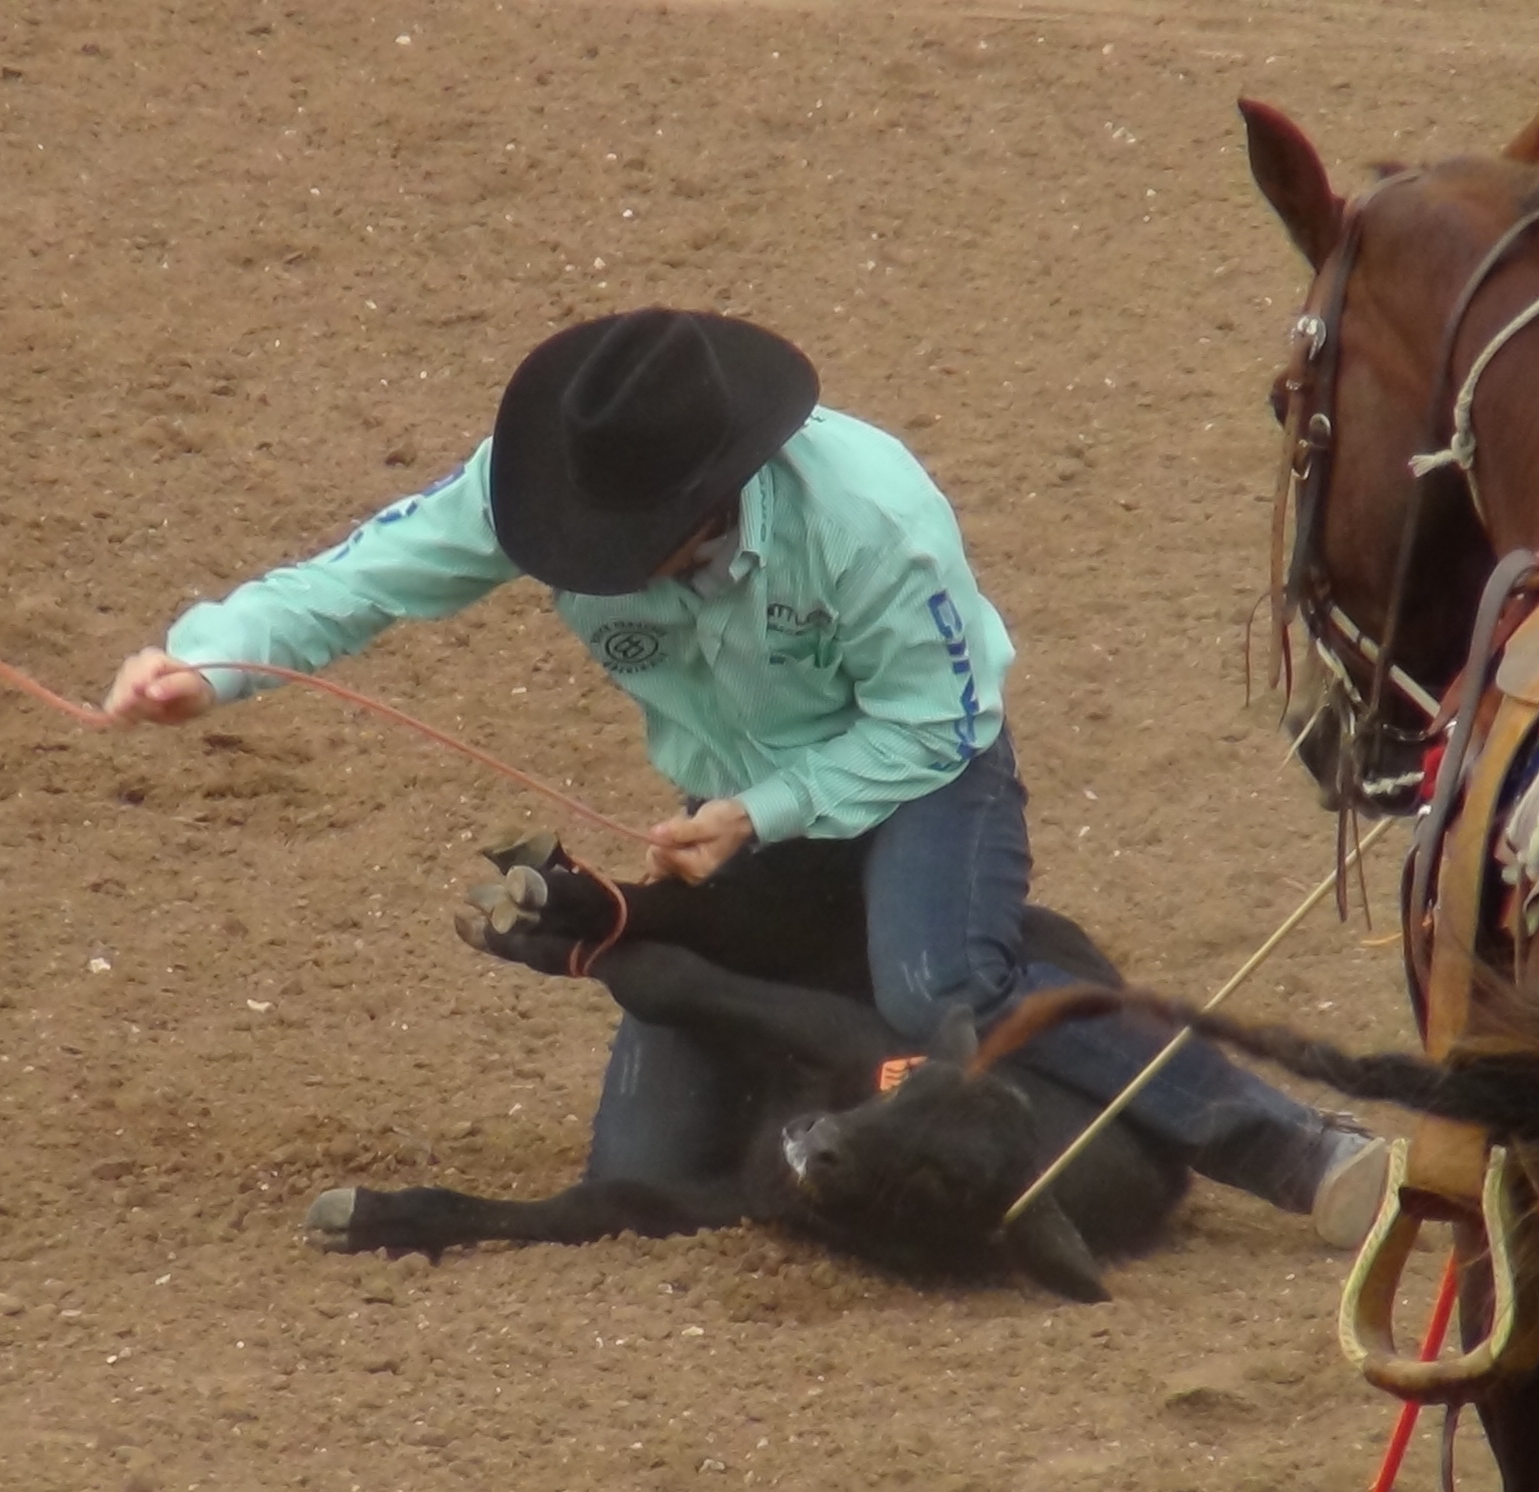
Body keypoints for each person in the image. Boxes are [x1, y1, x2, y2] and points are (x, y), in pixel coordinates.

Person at [105, 306, 1390, 1248]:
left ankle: (1279, 1141)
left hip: (919, 779)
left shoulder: (873, 516)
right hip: (742, 820)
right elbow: (357, 577)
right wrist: (208, 664)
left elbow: (937, 724)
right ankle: (857, 1083)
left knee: (937, 981)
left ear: (711, 501)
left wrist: (761, 812)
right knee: (645, 1166)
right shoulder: (531, 491)